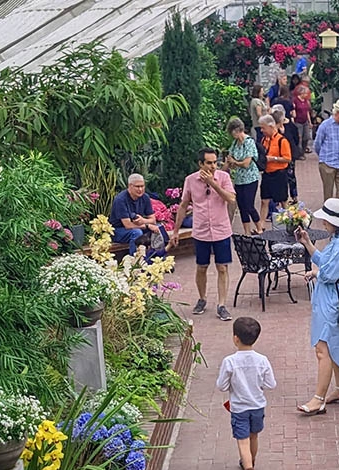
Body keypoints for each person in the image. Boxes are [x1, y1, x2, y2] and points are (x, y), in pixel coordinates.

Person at [295, 198, 339, 415]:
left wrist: (316, 273)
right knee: (336, 344)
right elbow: (326, 263)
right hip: (334, 296)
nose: (323, 223)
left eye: (326, 220)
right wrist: (308, 243)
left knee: (323, 349)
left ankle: (318, 399)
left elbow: (329, 274)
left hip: (332, 298)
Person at [216, 317, 276, 470]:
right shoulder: (262, 360)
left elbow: (222, 386)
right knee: (253, 436)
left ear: (236, 338)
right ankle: (251, 461)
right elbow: (271, 384)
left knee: (242, 440)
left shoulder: (229, 362)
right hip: (257, 406)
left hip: (239, 408)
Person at [176, 148, 236, 321]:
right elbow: (183, 205)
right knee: (201, 267)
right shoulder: (190, 180)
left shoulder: (223, 177)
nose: (213, 166)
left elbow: (231, 199)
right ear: (200, 164)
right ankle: (202, 299)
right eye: (209, 163)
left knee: (222, 268)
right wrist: (175, 231)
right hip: (201, 231)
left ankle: (222, 305)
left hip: (221, 230)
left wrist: (213, 183)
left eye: (215, 162)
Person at [111, 174, 170, 258]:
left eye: (142, 186)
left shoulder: (145, 197)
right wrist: (147, 225)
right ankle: (137, 261)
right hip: (118, 230)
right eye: (137, 186)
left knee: (158, 228)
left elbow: (153, 220)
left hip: (137, 226)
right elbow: (128, 225)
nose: (140, 189)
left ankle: (159, 258)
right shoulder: (120, 200)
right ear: (130, 186)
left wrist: (143, 221)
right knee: (137, 233)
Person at [224, 117, 263, 235]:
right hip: (239, 179)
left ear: (236, 130)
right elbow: (229, 160)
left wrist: (234, 162)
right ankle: (247, 231)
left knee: (249, 205)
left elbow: (246, 163)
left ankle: (259, 228)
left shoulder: (249, 142)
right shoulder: (235, 144)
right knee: (241, 206)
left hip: (250, 178)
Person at [314, 100, 339, 204]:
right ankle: (328, 212)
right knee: (328, 193)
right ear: (337, 113)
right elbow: (317, 144)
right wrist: (323, 158)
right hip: (327, 163)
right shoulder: (325, 125)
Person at [257, 115, 291, 223]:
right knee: (264, 200)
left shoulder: (282, 140)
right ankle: (261, 226)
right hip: (267, 174)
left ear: (271, 126)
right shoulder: (264, 140)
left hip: (279, 174)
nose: (262, 130)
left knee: (283, 200)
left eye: (263, 128)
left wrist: (273, 158)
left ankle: (289, 223)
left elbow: (288, 159)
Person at [271, 104, 299, 202]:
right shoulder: (274, 127)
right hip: (277, 155)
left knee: (291, 175)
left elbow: (296, 138)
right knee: (279, 177)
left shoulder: (290, 125)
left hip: (289, 154)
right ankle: (280, 198)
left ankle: (294, 196)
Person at [273, 87, 299, 158]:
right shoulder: (289, 102)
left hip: (276, 123)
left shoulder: (275, 101)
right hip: (287, 123)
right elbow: (294, 114)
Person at [292, 82, 313, 155]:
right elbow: (293, 110)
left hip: (305, 121)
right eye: (305, 93)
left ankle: (303, 150)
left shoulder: (306, 101)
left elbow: (307, 112)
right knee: (299, 137)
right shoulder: (295, 100)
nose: (307, 95)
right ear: (301, 93)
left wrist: (310, 122)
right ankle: (299, 153)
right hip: (298, 121)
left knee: (306, 137)